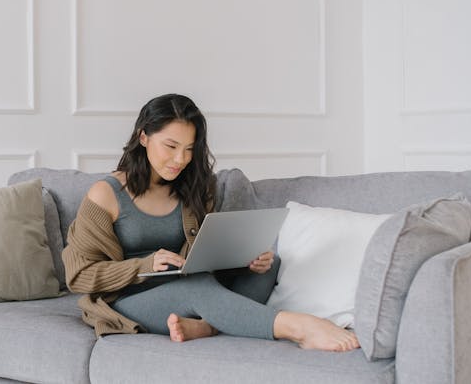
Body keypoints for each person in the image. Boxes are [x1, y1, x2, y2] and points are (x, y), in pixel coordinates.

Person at [62, 93, 359, 351]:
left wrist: (244, 261)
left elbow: (200, 260)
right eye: (171, 145)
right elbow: (79, 276)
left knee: (269, 266)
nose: (180, 159)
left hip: (187, 282)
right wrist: (144, 265)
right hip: (128, 299)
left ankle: (208, 326)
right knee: (196, 288)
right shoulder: (106, 194)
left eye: (189, 149)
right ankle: (298, 327)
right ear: (143, 137)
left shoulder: (195, 189)